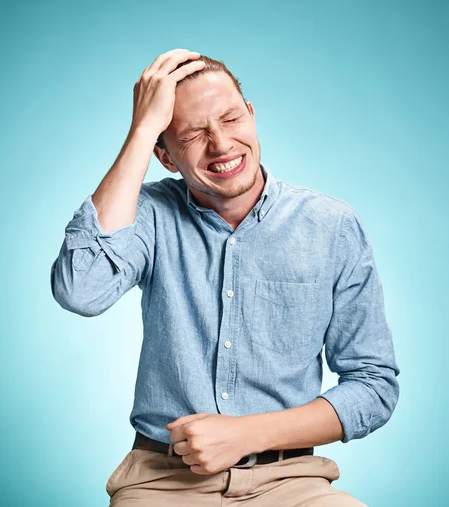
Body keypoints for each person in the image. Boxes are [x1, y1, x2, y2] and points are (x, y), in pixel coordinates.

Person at [50, 48, 400, 506]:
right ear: (165, 155)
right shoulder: (149, 214)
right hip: (162, 482)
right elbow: (82, 289)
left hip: (293, 483)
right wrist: (140, 132)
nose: (220, 144)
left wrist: (247, 434)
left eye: (231, 119)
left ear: (252, 115)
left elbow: (374, 385)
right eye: (192, 134)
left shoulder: (331, 226)